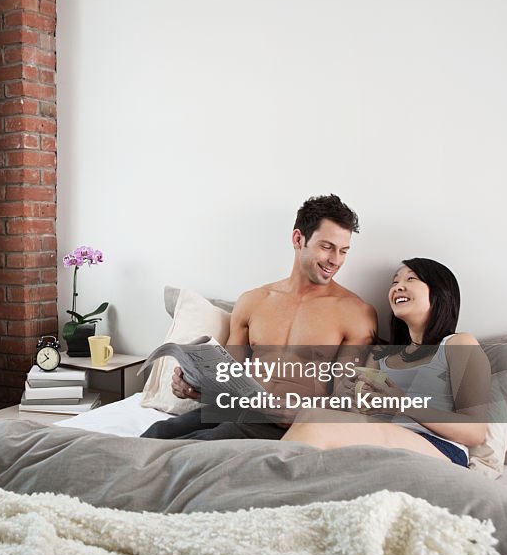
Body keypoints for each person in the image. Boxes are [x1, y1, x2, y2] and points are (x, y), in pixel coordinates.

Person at [141, 194, 378, 440]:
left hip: (284, 427)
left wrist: (303, 414)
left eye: (343, 251)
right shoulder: (254, 301)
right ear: (298, 239)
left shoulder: (355, 313)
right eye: (327, 247)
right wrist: (194, 388)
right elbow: (228, 379)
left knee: (199, 445)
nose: (335, 260)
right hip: (233, 412)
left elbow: (347, 401)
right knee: (156, 433)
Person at [280, 258, 489, 466]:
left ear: (439, 292)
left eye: (411, 279)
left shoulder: (458, 344)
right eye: (394, 282)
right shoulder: (381, 355)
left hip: (438, 447)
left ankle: (264, 484)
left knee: (317, 424)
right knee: (310, 414)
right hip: (382, 438)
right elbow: (356, 415)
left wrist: (401, 404)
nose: (399, 287)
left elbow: (475, 432)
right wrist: (341, 398)